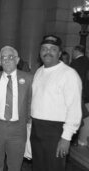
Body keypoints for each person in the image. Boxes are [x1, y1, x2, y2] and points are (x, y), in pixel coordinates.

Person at [31, 35, 82, 171]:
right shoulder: (39, 72)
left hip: (55, 131)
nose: (48, 52)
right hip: (37, 128)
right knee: (38, 167)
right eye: (44, 49)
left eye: (53, 49)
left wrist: (66, 138)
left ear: (59, 53)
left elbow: (74, 109)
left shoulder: (69, 74)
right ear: (40, 52)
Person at [0, 46, 33, 171]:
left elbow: (31, 102)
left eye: (11, 57)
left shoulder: (29, 79)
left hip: (18, 130)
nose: (7, 60)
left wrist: (29, 122)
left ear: (17, 60)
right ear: (0, 62)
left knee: (15, 166)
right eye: (3, 58)